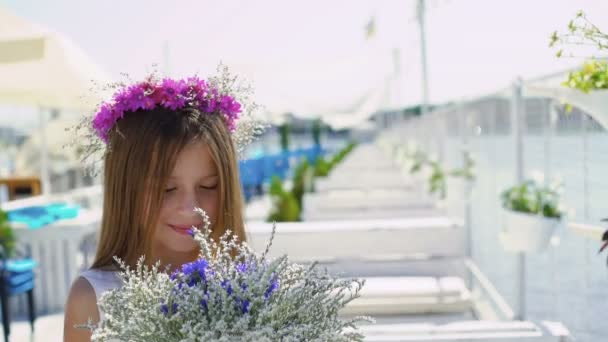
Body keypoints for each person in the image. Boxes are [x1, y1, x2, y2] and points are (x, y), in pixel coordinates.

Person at [63, 73, 254, 341]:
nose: (190, 208)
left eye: (209, 186)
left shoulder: (250, 289)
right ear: (125, 189)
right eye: (166, 189)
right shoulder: (92, 299)